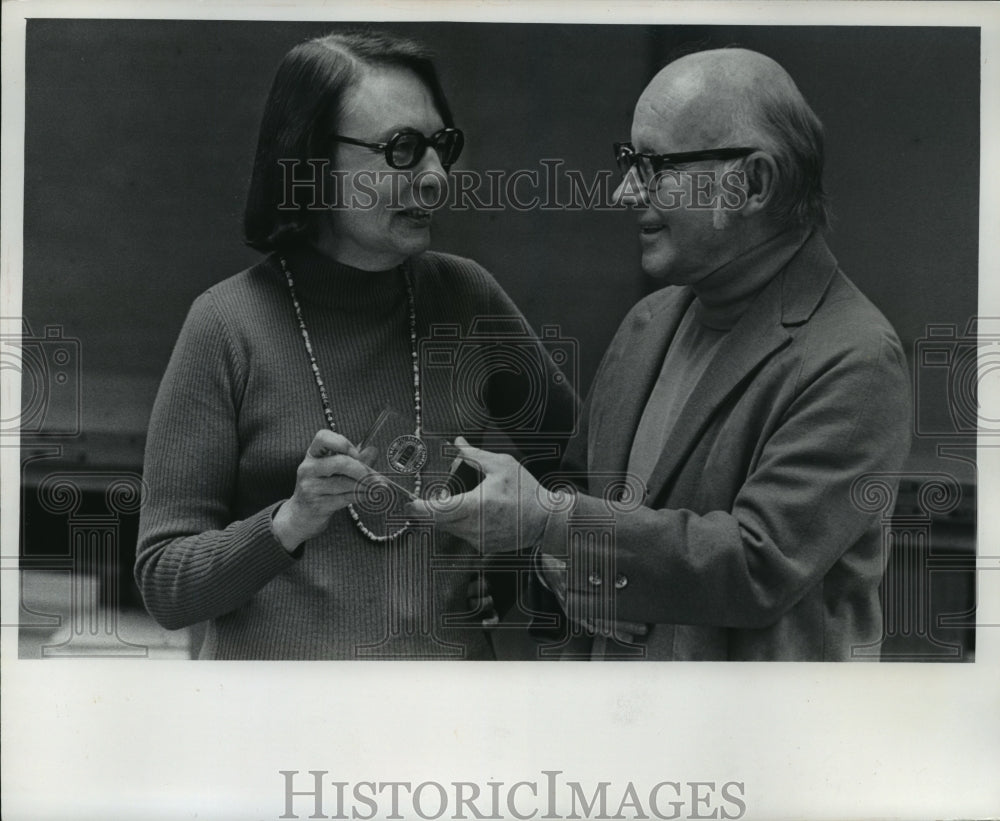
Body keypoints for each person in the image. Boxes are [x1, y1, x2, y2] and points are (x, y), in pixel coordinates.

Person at [413, 48, 912, 661]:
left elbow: (756, 566)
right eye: (629, 162)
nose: (626, 191)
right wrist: (517, 568)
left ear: (752, 182)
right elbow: (574, 486)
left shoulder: (855, 357)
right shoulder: (647, 322)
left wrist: (553, 522)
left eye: (654, 166)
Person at [134, 30, 576, 660]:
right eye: (402, 149)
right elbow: (165, 586)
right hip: (279, 730)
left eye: (440, 147)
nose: (435, 179)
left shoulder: (468, 298)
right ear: (312, 159)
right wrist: (292, 520)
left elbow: (582, 466)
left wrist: (516, 563)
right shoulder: (225, 324)